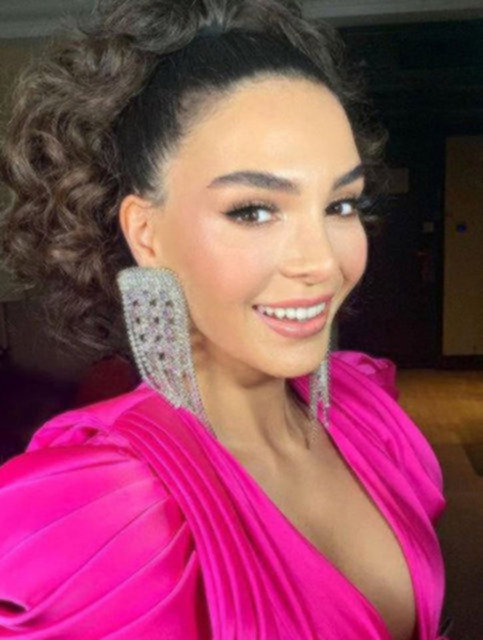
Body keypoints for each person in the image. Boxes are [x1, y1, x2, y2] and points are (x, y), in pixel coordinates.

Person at [0, 1, 450, 638]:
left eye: (342, 205)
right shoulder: (105, 517)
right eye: (254, 211)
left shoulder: (370, 416)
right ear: (147, 233)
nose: (323, 262)